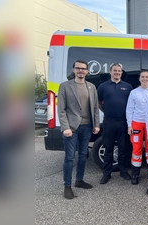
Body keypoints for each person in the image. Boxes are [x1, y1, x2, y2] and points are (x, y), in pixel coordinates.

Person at [58, 60, 100, 199]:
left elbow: (95, 107)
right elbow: (61, 109)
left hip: (87, 127)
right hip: (72, 128)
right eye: (78, 68)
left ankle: (79, 180)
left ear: (87, 71)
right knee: (69, 158)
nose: (81, 71)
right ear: (74, 70)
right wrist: (65, 127)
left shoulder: (92, 87)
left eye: (83, 69)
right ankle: (67, 186)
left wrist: (96, 124)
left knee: (83, 155)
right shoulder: (65, 86)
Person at [97, 63, 133, 184]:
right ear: (110, 72)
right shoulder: (103, 86)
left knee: (123, 148)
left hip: (124, 121)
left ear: (121, 73)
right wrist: (106, 110)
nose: (117, 72)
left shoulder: (128, 87)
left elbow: (131, 104)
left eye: (119, 71)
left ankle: (123, 171)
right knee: (108, 148)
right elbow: (98, 102)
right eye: (115, 70)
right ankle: (106, 174)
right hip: (109, 121)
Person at [126, 70, 148, 185]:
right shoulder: (134, 92)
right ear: (139, 79)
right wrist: (130, 125)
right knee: (136, 149)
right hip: (137, 123)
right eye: (142, 77)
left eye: (146, 77)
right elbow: (129, 110)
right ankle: (135, 174)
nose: (144, 79)